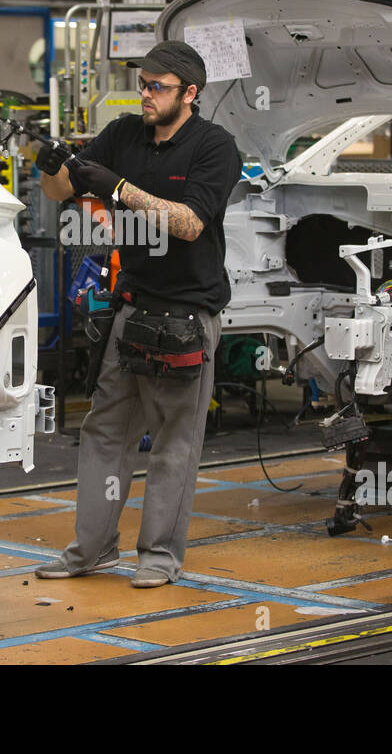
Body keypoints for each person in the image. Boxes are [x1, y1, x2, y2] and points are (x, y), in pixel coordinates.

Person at [32, 40, 242, 588]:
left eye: (157, 87)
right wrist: (50, 168)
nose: (145, 95)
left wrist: (119, 188)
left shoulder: (214, 147)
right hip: (132, 309)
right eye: (142, 84)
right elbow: (66, 192)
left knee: (174, 441)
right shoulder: (124, 134)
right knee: (105, 432)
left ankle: (159, 557)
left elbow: (190, 222)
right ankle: (92, 549)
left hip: (188, 317)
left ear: (189, 94)